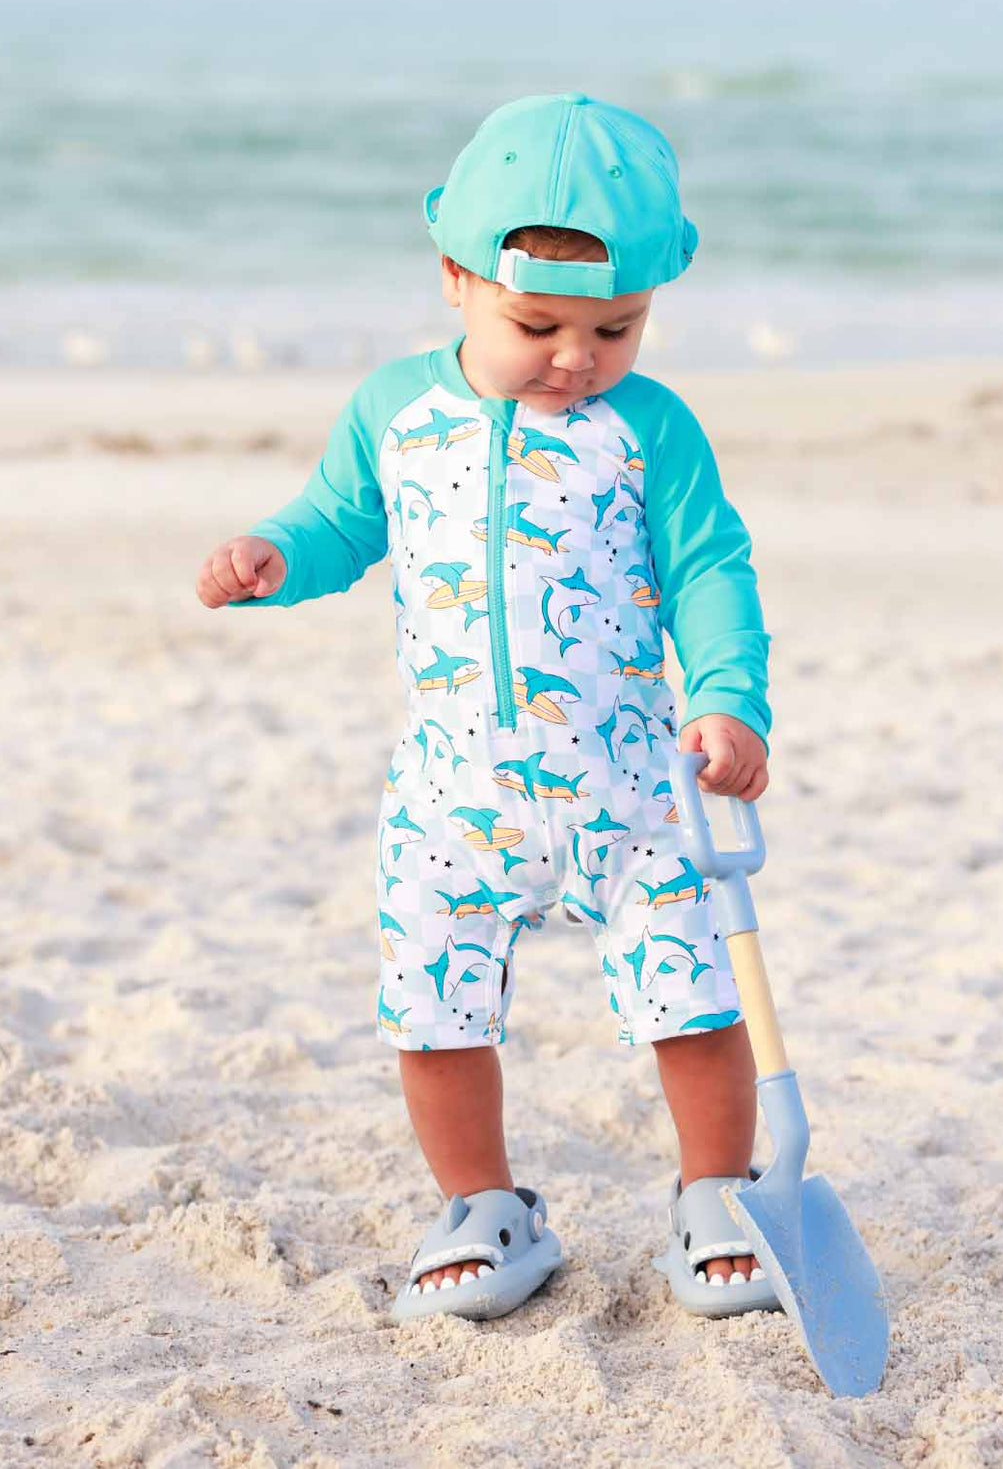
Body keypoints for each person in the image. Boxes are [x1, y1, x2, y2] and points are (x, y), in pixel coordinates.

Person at [196, 93, 779, 1324]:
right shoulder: (397, 412)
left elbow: (710, 570)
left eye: (616, 327)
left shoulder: (649, 429)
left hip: (631, 780)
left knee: (694, 994)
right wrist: (276, 556)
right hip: (453, 790)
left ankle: (718, 1193)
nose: (577, 356)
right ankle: (481, 1205)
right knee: (433, 1010)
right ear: (456, 279)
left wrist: (730, 701)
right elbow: (340, 520)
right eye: (537, 325)